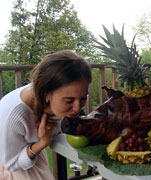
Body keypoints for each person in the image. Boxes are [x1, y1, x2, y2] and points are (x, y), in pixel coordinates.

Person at [0, 50, 92, 179]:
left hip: (36, 163)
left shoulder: (56, 99)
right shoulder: (14, 114)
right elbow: (11, 164)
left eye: (83, 98)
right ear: (46, 95)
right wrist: (42, 142)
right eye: (69, 101)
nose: (77, 108)